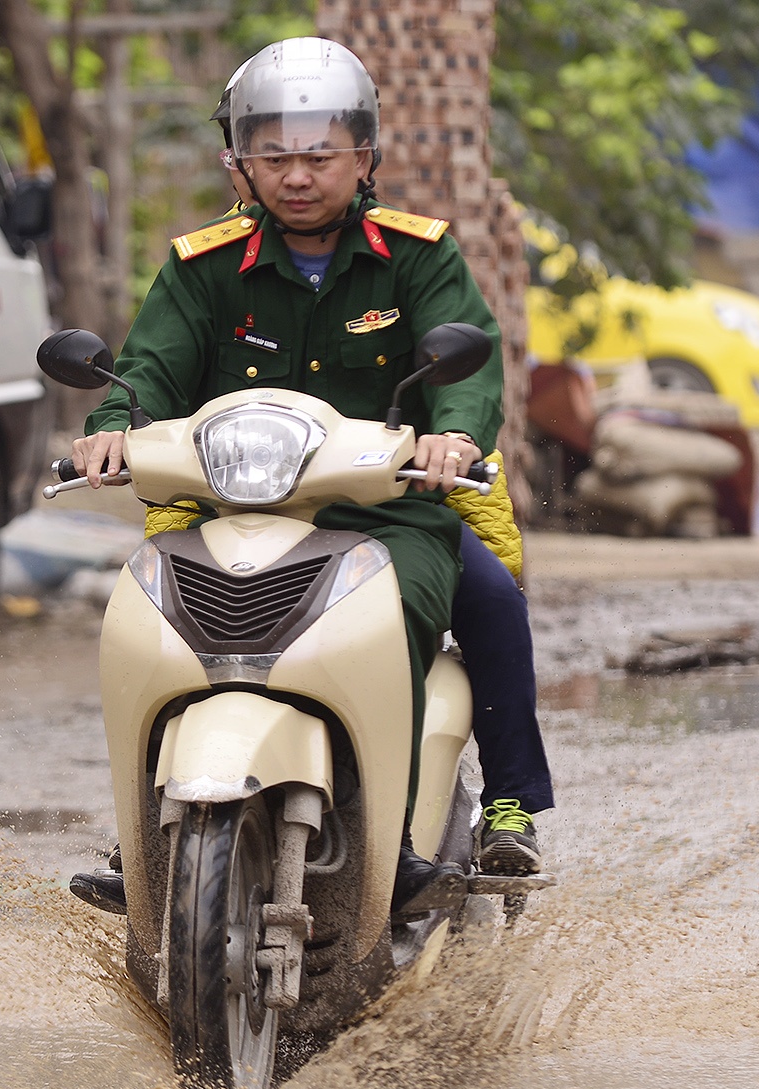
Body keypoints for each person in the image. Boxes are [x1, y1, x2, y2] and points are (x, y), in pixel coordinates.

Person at [67, 38, 553, 917]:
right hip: (227, 503)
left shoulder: (419, 257)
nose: (297, 176)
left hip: (388, 510)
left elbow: (469, 373)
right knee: (150, 629)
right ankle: (144, 829)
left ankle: (466, 818)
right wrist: (110, 430)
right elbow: (147, 375)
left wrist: (451, 437)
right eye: (274, 155)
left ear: (364, 155)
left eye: (319, 154)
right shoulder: (201, 266)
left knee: (474, 602)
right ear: (240, 162)